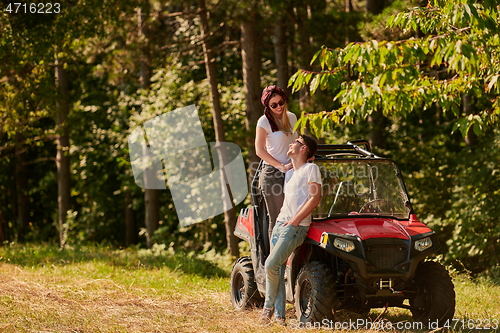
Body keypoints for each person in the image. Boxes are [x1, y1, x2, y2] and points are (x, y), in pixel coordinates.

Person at [260, 134, 321, 326]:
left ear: (303, 149)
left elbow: (315, 198)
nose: (292, 143)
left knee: (270, 265)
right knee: (276, 269)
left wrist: (294, 221)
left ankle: (267, 308)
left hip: (295, 227)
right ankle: (279, 316)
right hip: (280, 223)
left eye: (296, 141)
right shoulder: (289, 173)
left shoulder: (311, 169)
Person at [255, 85, 298, 240]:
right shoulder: (264, 121)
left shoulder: (292, 117)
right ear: (267, 106)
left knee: (296, 218)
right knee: (279, 219)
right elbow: (259, 150)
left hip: (294, 172)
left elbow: (297, 141)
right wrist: (281, 166)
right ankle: (274, 261)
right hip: (273, 174)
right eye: (274, 105)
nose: (279, 107)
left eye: (281, 102)